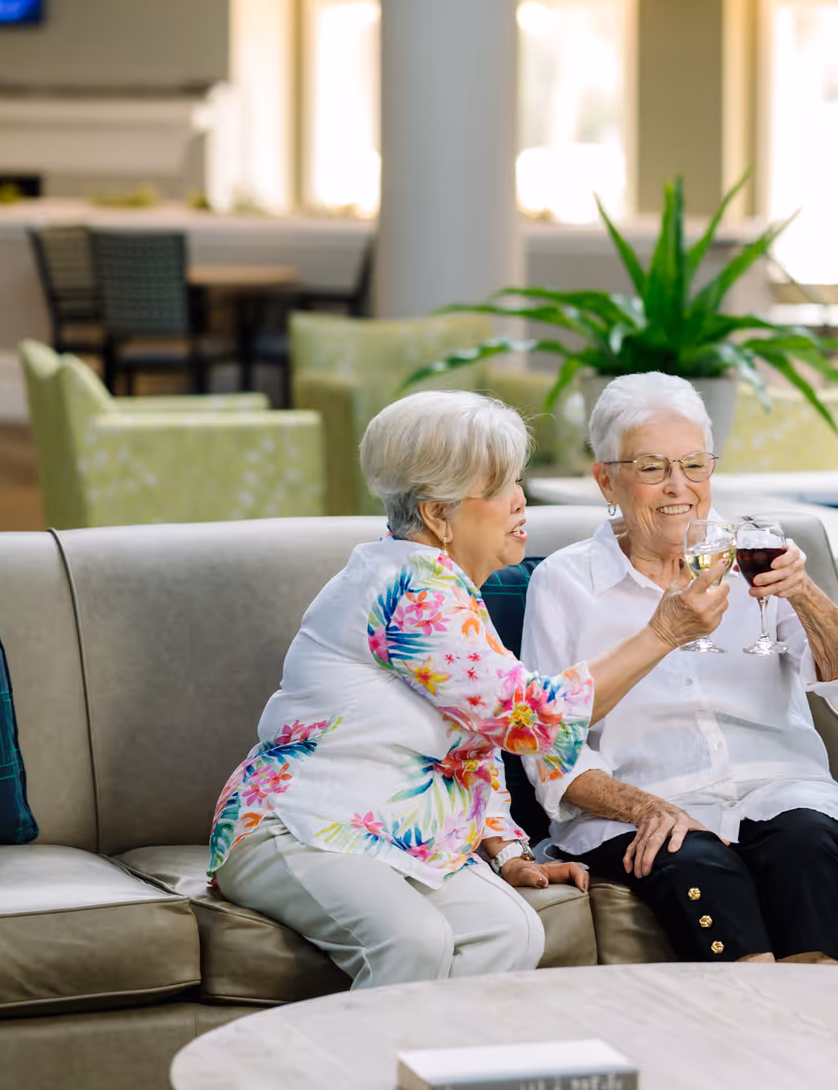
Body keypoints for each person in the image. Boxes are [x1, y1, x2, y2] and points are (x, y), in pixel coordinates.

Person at [209, 390, 727, 988]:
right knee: (412, 940)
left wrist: (508, 851)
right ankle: (354, 1080)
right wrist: (665, 631)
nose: (520, 500)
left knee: (513, 931)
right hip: (295, 825)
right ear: (439, 515)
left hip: (387, 830)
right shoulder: (412, 592)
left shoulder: (450, 590)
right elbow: (528, 720)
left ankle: (446, 1074)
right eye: (500, 487)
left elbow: (474, 745)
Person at [521, 373, 838, 964]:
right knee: (704, 870)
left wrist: (804, 593)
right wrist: (645, 808)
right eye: (652, 467)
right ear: (606, 478)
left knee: (804, 852)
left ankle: (808, 1042)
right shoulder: (564, 583)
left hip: (779, 788)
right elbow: (548, 747)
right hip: (644, 807)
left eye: (694, 465)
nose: (678, 487)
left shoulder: (757, 554)